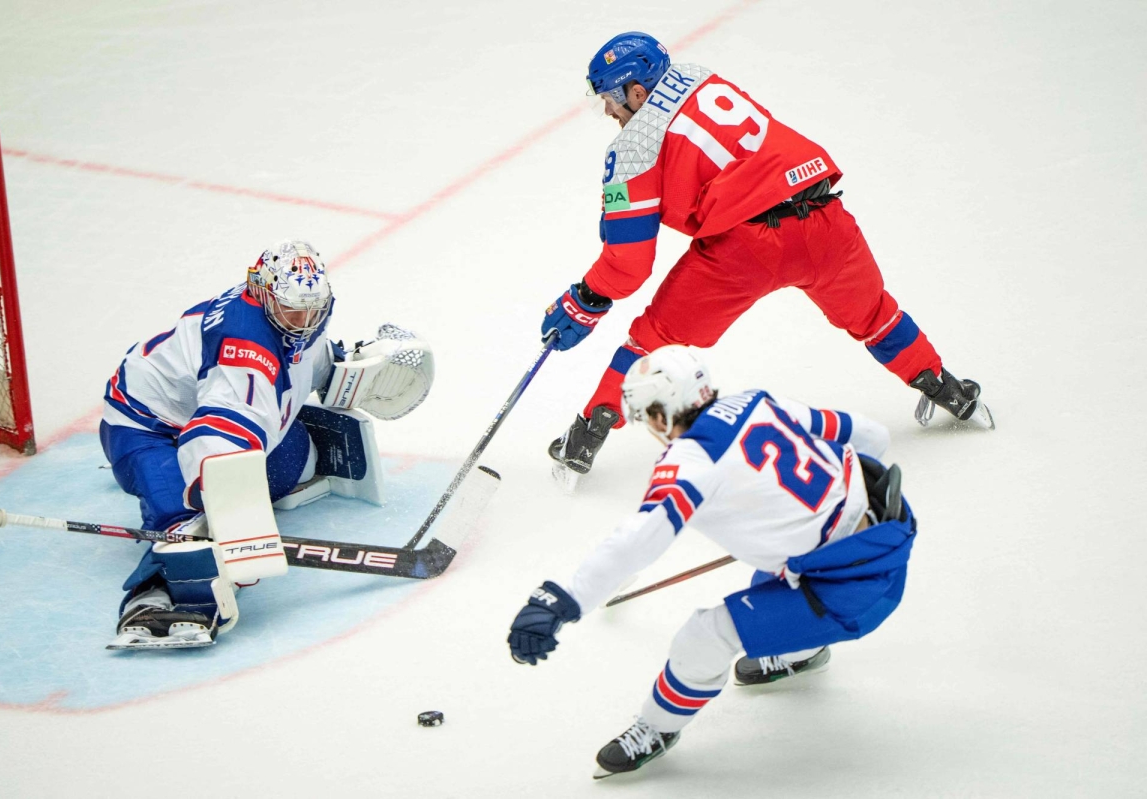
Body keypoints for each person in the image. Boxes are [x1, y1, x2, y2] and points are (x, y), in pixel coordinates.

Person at [542, 31, 991, 482]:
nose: (607, 110)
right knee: (875, 314)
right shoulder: (702, 79)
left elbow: (628, 266)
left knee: (654, 338)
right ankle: (944, 387)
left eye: (611, 99)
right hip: (825, 220)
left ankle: (587, 434)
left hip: (746, 249)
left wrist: (584, 299)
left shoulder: (631, 152)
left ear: (637, 92)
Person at [507, 346, 916, 778]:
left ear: (663, 414)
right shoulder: (756, 402)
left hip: (849, 592)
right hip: (885, 538)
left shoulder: (689, 466)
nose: (648, 426)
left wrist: (562, 602)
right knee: (768, 579)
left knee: (704, 637)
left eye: (646, 415)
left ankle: (657, 728)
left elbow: (635, 544)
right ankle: (801, 650)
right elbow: (870, 437)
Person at [100, 239, 433, 650]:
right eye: (294, 311)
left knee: (296, 462)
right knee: (186, 523)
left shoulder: (294, 308)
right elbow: (218, 435)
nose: (304, 321)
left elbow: (304, 353)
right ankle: (152, 594)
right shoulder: (245, 347)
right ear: (260, 292)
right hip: (144, 426)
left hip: (207, 403)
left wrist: (345, 368)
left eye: (314, 309)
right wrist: (234, 521)